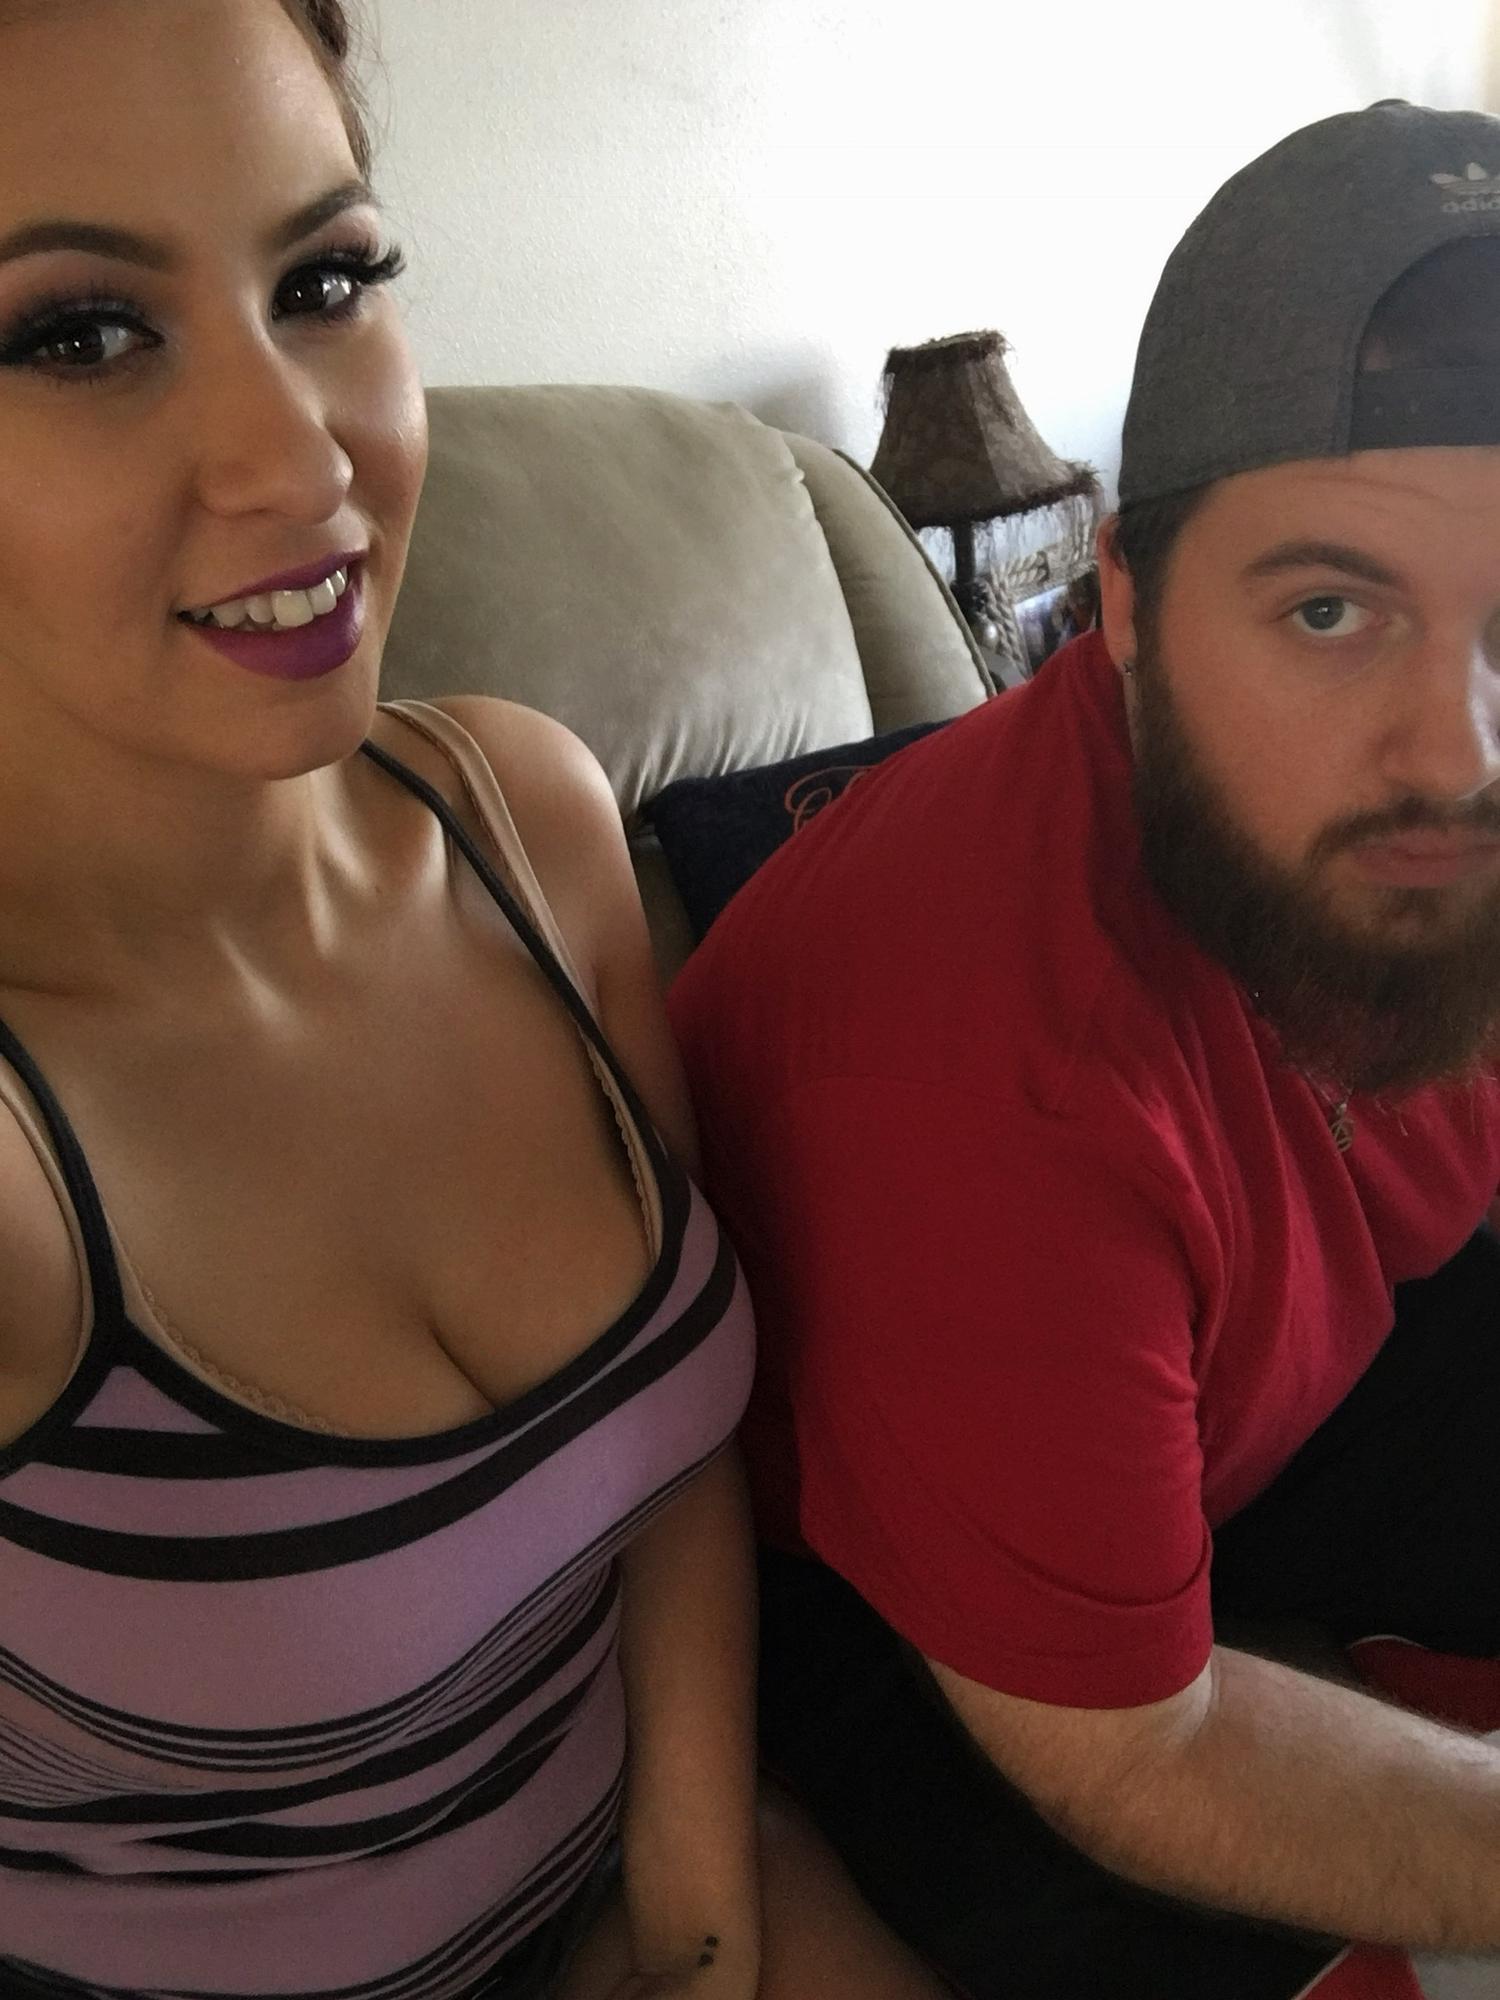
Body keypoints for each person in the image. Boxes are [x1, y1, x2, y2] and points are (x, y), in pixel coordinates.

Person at [0, 5, 952, 1998]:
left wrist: (698, 1911)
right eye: (78, 334)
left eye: (323, 280)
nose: (302, 456)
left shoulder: (530, 817)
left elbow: (669, 1461)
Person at [670, 100, 1500, 2000]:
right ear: (1121, 604)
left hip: (1264, 1378)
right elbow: (1141, 1754)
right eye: (1329, 609)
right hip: (905, 1594)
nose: (1456, 755)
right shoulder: (974, 1081)